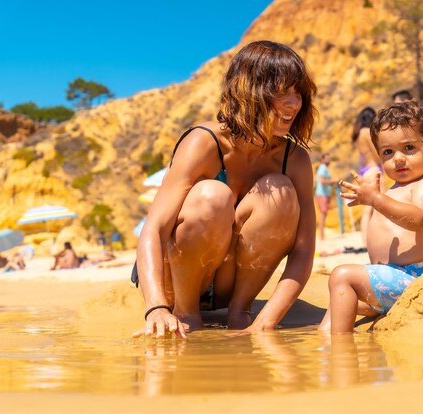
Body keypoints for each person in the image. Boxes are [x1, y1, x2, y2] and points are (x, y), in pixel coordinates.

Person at [133, 40, 318, 338]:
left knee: (280, 190)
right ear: (249, 91)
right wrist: (155, 307)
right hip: (175, 283)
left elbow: (303, 251)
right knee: (213, 195)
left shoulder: (294, 160)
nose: (294, 104)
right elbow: (153, 229)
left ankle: (240, 313)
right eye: (282, 92)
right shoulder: (203, 142)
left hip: (230, 286)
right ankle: (187, 314)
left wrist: (266, 320)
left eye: (298, 93)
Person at [319, 101, 423, 333]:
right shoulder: (391, 191)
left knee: (341, 276)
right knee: (340, 298)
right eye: (388, 152)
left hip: (411, 277)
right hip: (387, 281)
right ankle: (323, 339)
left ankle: (340, 347)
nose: (398, 158)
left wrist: (375, 200)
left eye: (409, 148)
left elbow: (419, 218)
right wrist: (373, 198)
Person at [351, 107, 380, 245]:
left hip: (365, 170)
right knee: (378, 207)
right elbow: (376, 153)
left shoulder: (357, 135)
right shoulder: (367, 132)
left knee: (368, 209)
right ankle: (370, 241)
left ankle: (365, 240)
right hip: (374, 169)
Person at [315, 153, 337, 240]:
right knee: (323, 214)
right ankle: (322, 236)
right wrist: (333, 180)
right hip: (322, 194)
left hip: (325, 194)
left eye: (329, 158)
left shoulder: (325, 169)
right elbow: (323, 181)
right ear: (322, 159)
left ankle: (322, 235)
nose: (329, 160)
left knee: (324, 214)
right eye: (327, 159)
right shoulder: (322, 168)